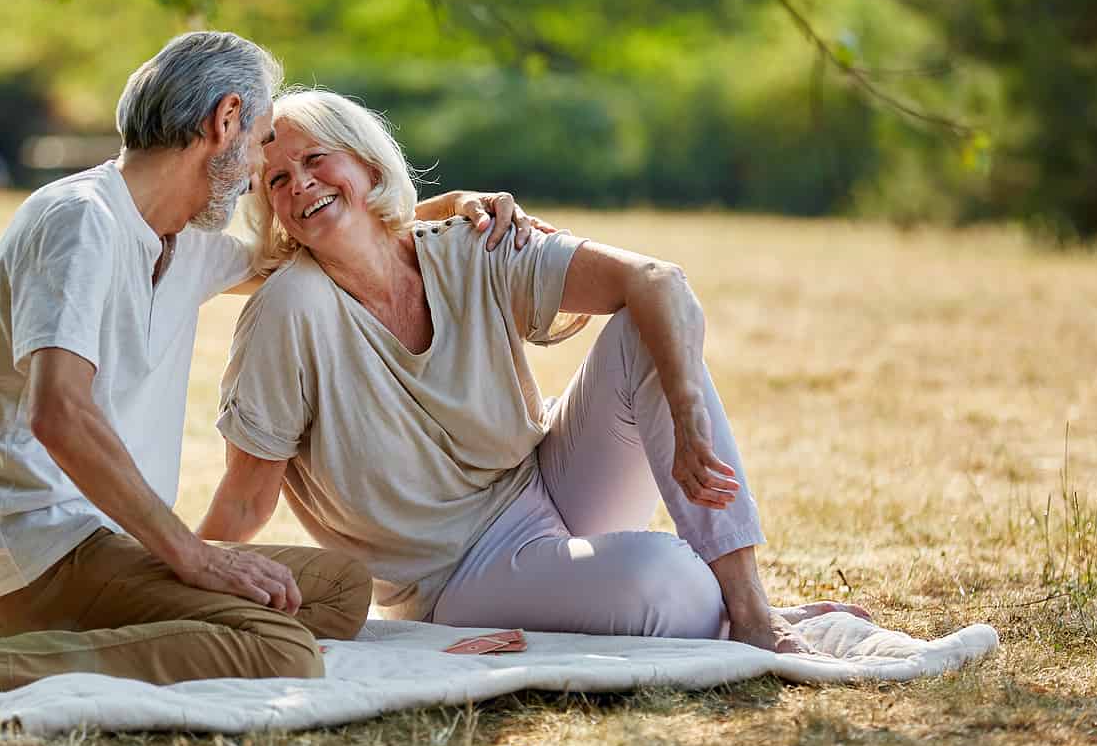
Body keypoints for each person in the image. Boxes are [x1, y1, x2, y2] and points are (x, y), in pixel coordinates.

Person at [0, 36, 535, 711]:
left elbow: (318, 234)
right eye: (262, 143)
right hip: (39, 555)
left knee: (338, 587)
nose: (258, 177)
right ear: (225, 122)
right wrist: (193, 555)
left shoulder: (183, 243)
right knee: (283, 649)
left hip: (111, 549)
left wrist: (447, 208)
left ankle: (148, 630)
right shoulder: (79, 223)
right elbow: (57, 412)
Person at [199, 89, 868, 652]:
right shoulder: (287, 309)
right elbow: (246, 497)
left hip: (550, 482)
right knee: (670, 578)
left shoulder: (471, 241)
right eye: (277, 181)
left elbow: (658, 281)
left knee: (646, 329)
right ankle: (721, 606)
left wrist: (688, 409)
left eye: (316, 159)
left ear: (371, 167)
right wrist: (178, 572)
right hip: (456, 576)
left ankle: (751, 611)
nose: (301, 185)